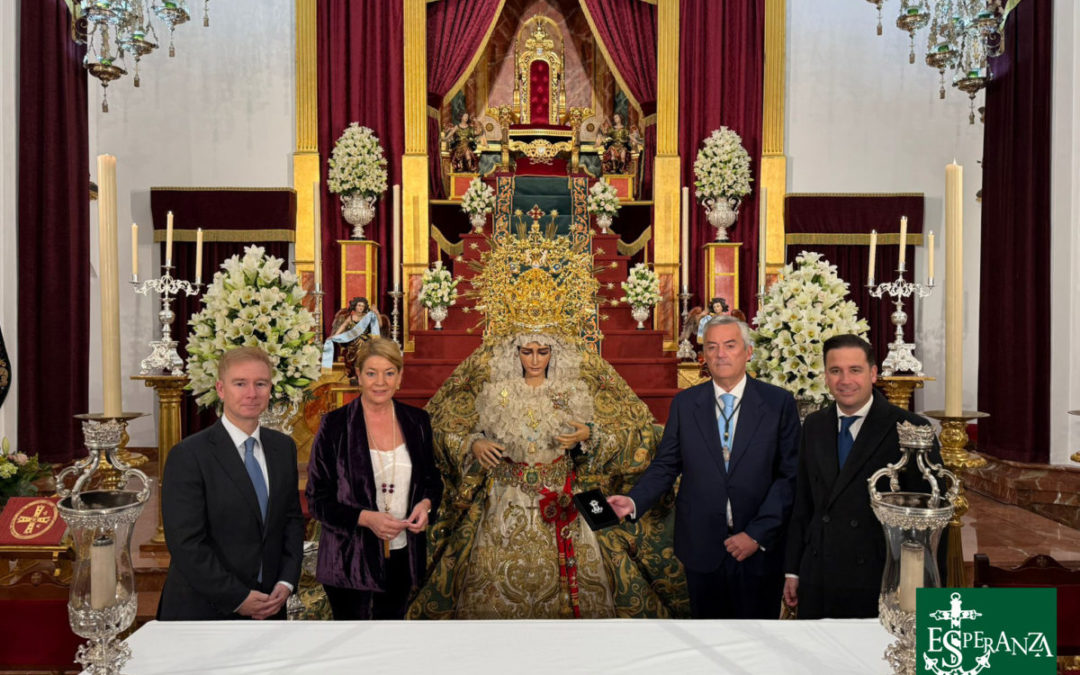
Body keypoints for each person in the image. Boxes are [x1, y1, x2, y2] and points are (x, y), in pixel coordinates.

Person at [409, 222, 688, 619]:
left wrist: (590, 436)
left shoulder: (576, 385)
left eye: (543, 351)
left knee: (592, 576)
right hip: (505, 499)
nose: (535, 359)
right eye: (527, 351)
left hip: (569, 495)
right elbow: (440, 426)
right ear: (515, 350)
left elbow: (636, 431)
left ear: (554, 351)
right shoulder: (492, 385)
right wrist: (473, 444)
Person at [609, 315, 801, 619]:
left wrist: (757, 534)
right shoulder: (686, 404)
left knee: (758, 647)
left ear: (748, 352)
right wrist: (634, 500)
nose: (720, 354)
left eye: (729, 345)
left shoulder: (779, 403)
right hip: (701, 546)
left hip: (759, 547)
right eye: (712, 347)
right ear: (704, 355)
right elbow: (666, 465)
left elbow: (789, 477)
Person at [782, 334, 944, 619]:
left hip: (877, 578)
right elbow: (803, 504)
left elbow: (929, 521)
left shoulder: (910, 429)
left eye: (854, 370)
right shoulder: (814, 425)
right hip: (819, 574)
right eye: (835, 371)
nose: (845, 380)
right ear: (826, 376)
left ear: (872, 373)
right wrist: (793, 570)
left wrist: (921, 590)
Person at [159, 346, 305, 620]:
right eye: (240, 383)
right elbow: (186, 543)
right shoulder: (189, 455)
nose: (252, 393)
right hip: (205, 610)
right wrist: (237, 597)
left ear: (270, 389)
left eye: (260, 384)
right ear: (221, 389)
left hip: (269, 606)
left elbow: (291, 520)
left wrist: (286, 582)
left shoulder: (283, 448)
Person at [306, 337, 443, 620]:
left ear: (400, 377)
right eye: (371, 373)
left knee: (389, 644)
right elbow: (318, 500)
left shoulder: (417, 421)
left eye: (389, 373)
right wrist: (366, 518)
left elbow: (431, 480)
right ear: (358, 375)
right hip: (348, 560)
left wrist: (425, 505)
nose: (380, 382)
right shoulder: (334, 426)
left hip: (402, 556)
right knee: (351, 650)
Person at [322, 297, 381, 378]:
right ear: (355, 306)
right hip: (353, 341)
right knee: (354, 352)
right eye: (359, 305)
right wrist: (335, 335)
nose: (360, 307)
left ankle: (362, 374)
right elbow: (343, 326)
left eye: (362, 306)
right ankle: (355, 374)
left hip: (366, 341)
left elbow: (379, 325)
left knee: (364, 351)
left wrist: (377, 313)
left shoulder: (368, 316)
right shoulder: (351, 317)